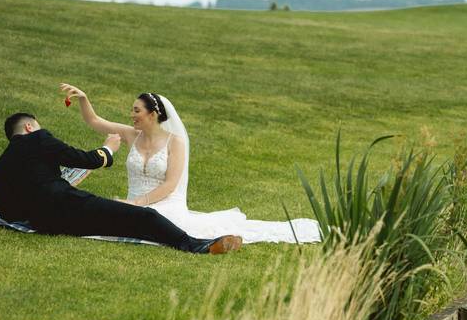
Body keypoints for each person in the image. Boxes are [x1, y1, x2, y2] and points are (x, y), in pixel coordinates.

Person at [59, 83, 322, 244]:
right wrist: (83, 98)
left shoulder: (175, 143)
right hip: (133, 204)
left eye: (136, 111)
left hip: (164, 206)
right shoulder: (131, 135)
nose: (132, 115)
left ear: (153, 114)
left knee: (161, 227)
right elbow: (94, 121)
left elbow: (171, 185)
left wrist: (135, 204)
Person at [0, 112, 242, 255]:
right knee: (144, 216)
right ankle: (197, 245)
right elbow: (83, 159)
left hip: (45, 223)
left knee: (119, 223)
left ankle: (185, 242)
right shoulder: (38, 138)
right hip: (66, 204)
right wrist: (108, 149)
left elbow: (11, 209)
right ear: (31, 126)